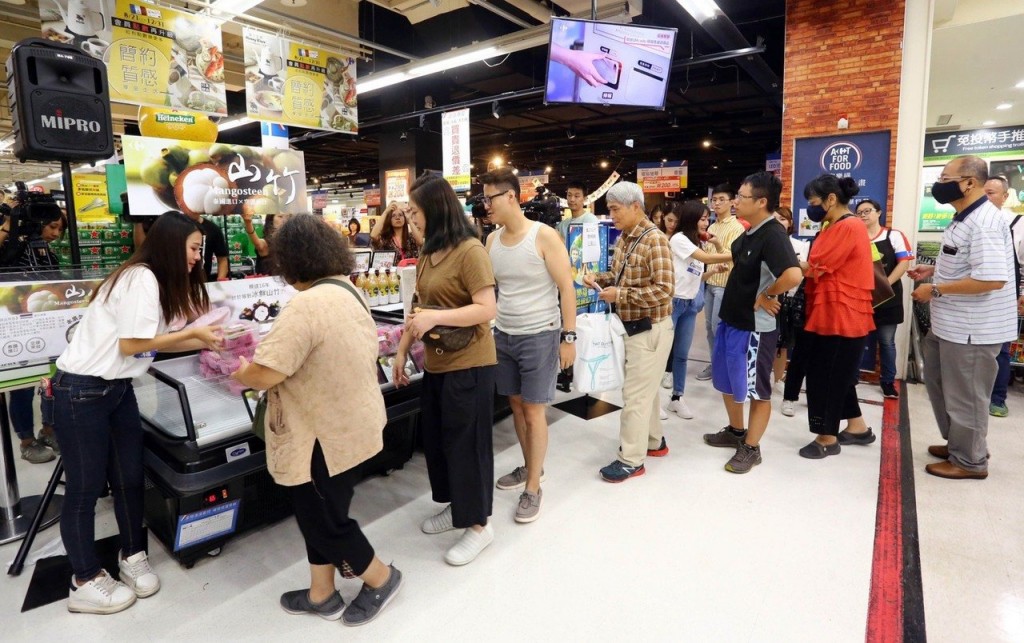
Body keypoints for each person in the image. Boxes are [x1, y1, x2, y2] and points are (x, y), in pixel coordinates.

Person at [231, 215, 402, 627]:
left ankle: (381, 577)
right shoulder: (347, 290)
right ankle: (321, 593)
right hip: (352, 422)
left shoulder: (305, 305)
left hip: (319, 434)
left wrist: (241, 372)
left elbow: (267, 372)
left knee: (324, 521)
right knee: (325, 510)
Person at [48, 211, 222, 614]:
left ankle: (132, 555)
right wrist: (194, 334)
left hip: (118, 389)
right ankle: (85, 579)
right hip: (82, 390)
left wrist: (205, 340)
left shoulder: (158, 282)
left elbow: (150, 346)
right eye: (195, 248)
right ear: (171, 244)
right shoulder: (141, 277)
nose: (198, 256)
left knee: (129, 477)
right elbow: (132, 344)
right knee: (85, 488)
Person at [392, 173, 498, 565]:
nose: (411, 217)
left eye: (415, 210)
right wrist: (402, 350)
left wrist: (437, 316)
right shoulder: (427, 253)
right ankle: (458, 508)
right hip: (436, 364)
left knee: (467, 445)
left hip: (470, 362)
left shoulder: (470, 250)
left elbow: (487, 309)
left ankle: (479, 525)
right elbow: (417, 306)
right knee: (438, 441)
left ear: (435, 209)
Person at [910, 155, 1018, 480]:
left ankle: (970, 461)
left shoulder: (984, 222)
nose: (939, 185)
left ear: (969, 182)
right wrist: (934, 269)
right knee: (942, 386)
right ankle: (960, 443)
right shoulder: (963, 218)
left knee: (967, 395)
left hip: (973, 329)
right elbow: (969, 263)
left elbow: (992, 279)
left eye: (945, 178)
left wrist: (936, 289)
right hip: (951, 326)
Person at [480, 168, 576, 524]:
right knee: (517, 408)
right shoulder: (491, 241)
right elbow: (493, 289)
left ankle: (533, 486)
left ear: (509, 197)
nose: (485, 205)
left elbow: (566, 288)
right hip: (504, 335)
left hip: (540, 334)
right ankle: (529, 466)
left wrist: (569, 337)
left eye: (490, 198)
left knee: (534, 412)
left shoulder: (544, 236)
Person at [702, 172, 801, 473]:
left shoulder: (773, 234)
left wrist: (768, 294)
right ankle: (736, 431)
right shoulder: (750, 231)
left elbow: (794, 274)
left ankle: (752, 447)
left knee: (757, 389)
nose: (735, 201)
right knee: (728, 382)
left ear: (761, 201)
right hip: (732, 319)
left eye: (741, 197)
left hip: (754, 327)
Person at [582, 182, 674, 483]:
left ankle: (631, 460)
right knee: (645, 390)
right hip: (632, 328)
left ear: (636, 206)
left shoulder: (655, 241)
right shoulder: (624, 239)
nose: (611, 215)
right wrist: (600, 277)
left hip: (650, 330)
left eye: (615, 209)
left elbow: (664, 291)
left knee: (634, 395)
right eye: (609, 209)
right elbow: (621, 276)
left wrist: (620, 295)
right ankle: (653, 441)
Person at [797, 175, 876, 459]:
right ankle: (857, 427)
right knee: (837, 374)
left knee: (826, 376)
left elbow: (816, 265)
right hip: (834, 310)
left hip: (841, 314)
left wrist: (788, 261)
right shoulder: (836, 226)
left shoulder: (848, 226)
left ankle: (827, 437)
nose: (810, 207)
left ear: (831, 199)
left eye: (813, 201)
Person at [1, 210, 66, 462]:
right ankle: (26, 442)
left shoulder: (47, 254)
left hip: (48, 328)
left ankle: (48, 430)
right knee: (22, 388)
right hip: (17, 331)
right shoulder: (11, 250)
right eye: (51, 227)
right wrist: (10, 226)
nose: (55, 234)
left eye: (60, 229)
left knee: (50, 383)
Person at [664, 200, 732, 418]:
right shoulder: (679, 239)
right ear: (692, 219)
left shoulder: (696, 242)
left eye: (707, 218)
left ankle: (677, 397)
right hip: (673, 303)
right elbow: (704, 258)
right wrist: (737, 252)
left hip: (690, 304)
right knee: (662, 354)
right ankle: (652, 399)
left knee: (682, 355)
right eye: (703, 218)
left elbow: (696, 275)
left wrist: (712, 271)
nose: (707, 222)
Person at [856, 199, 913, 399]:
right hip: (861, 298)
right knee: (856, 340)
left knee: (887, 341)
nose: (863, 215)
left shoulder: (894, 235)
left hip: (889, 298)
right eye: (859, 212)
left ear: (878, 212)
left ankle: (888, 381)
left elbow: (903, 263)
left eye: (867, 211)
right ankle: (852, 377)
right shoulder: (855, 237)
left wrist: (884, 285)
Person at [697, 183, 746, 381]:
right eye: (714, 200)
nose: (716, 203)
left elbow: (734, 257)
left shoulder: (737, 228)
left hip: (725, 285)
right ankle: (715, 363)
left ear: (732, 202)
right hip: (709, 283)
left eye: (721, 199)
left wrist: (717, 244)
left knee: (719, 328)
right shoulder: (712, 226)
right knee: (709, 328)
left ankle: (723, 366)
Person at [984, 176, 1019, 417]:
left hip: (1006, 297)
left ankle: (998, 398)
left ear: (1005, 196)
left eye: (992, 193)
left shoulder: (1017, 224)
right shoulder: (974, 220)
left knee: (1001, 350)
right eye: (982, 192)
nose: (986, 198)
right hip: (977, 297)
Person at [774, 208, 812, 418]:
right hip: (771, 296)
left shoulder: (802, 245)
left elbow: (805, 271)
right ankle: (769, 379)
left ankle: (779, 381)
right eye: (775, 218)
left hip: (794, 298)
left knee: (787, 343)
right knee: (771, 343)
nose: (779, 222)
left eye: (783, 219)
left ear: (790, 223)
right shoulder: (767, 242)